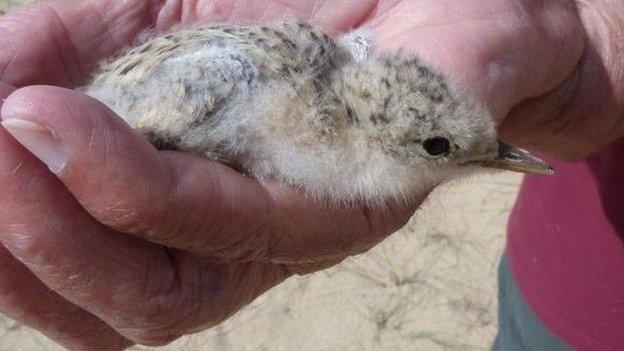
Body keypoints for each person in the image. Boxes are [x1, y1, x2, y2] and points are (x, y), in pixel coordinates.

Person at [0, 0, 621, 350]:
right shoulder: (293, 118)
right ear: (390, 145)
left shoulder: (330, 91)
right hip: (564, 302)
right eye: (438, 148)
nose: (499, 161)